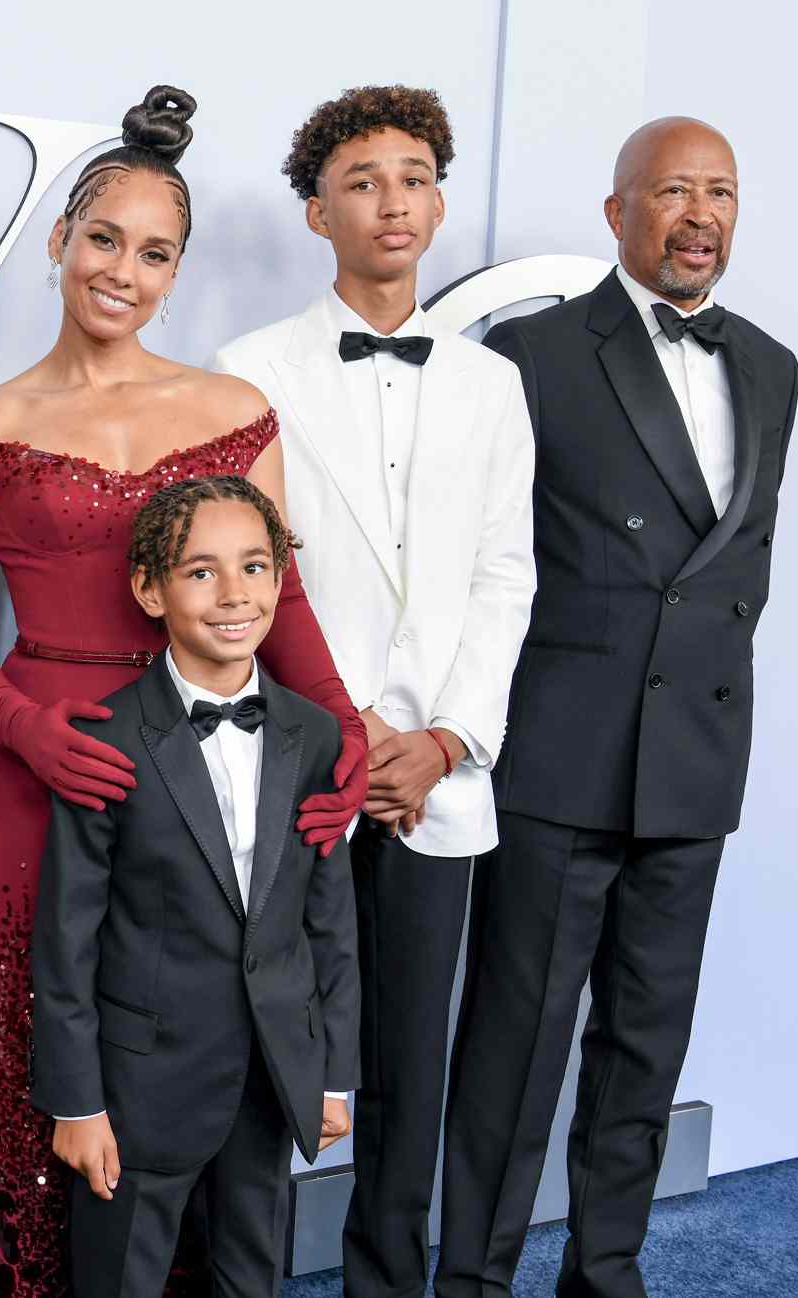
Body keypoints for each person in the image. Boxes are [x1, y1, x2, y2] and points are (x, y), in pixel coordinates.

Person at [0, 85, 369, 1298]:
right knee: (34, 1075)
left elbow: (288, 600)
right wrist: (24, 731)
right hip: (31, 780)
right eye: (102, 238)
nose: (122, 269)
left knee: (189, 1058)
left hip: (203, 781)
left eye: (153, 252)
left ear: (175, 274)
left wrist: (344, 741)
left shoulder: (229, 414)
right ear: (59, 241)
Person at [435, 117, 798, 1298]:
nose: (700, 216)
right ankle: (473, 1281)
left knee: (645, 1046)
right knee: (515, 1049)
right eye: (674, 191)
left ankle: (606, 1272)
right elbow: (481, 553)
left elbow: (740, 553)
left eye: (722, 194)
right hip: (561, 748)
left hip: (693, 753)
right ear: (617, 213)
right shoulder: (530, 352)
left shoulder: (771, 364)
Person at [210, 85, 535, 1298]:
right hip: (297, 762)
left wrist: (447, 736)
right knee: (260, 1041)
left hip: (432, 785)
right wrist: (345, 726)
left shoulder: (492, 387)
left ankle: (385, 1280)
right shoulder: (247, 374)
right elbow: (252, 569)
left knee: (409, 1061)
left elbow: (507, 574)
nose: (390, 199)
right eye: (361, 179)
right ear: (315, 212)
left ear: (438, 201)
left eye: (410, 176)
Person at [31, 476, 361, 1298]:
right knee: (120, 1279)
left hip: (269, 1072)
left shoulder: (315, 735)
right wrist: (76, 1103)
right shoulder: (107, 738)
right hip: (140, 1086)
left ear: (282, 581)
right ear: (150, 589)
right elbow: (67, 938)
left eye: (255, 567)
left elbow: (330, 918)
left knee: (252, 1274)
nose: (234, 595)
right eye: (200, 571)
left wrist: (330, 1071)